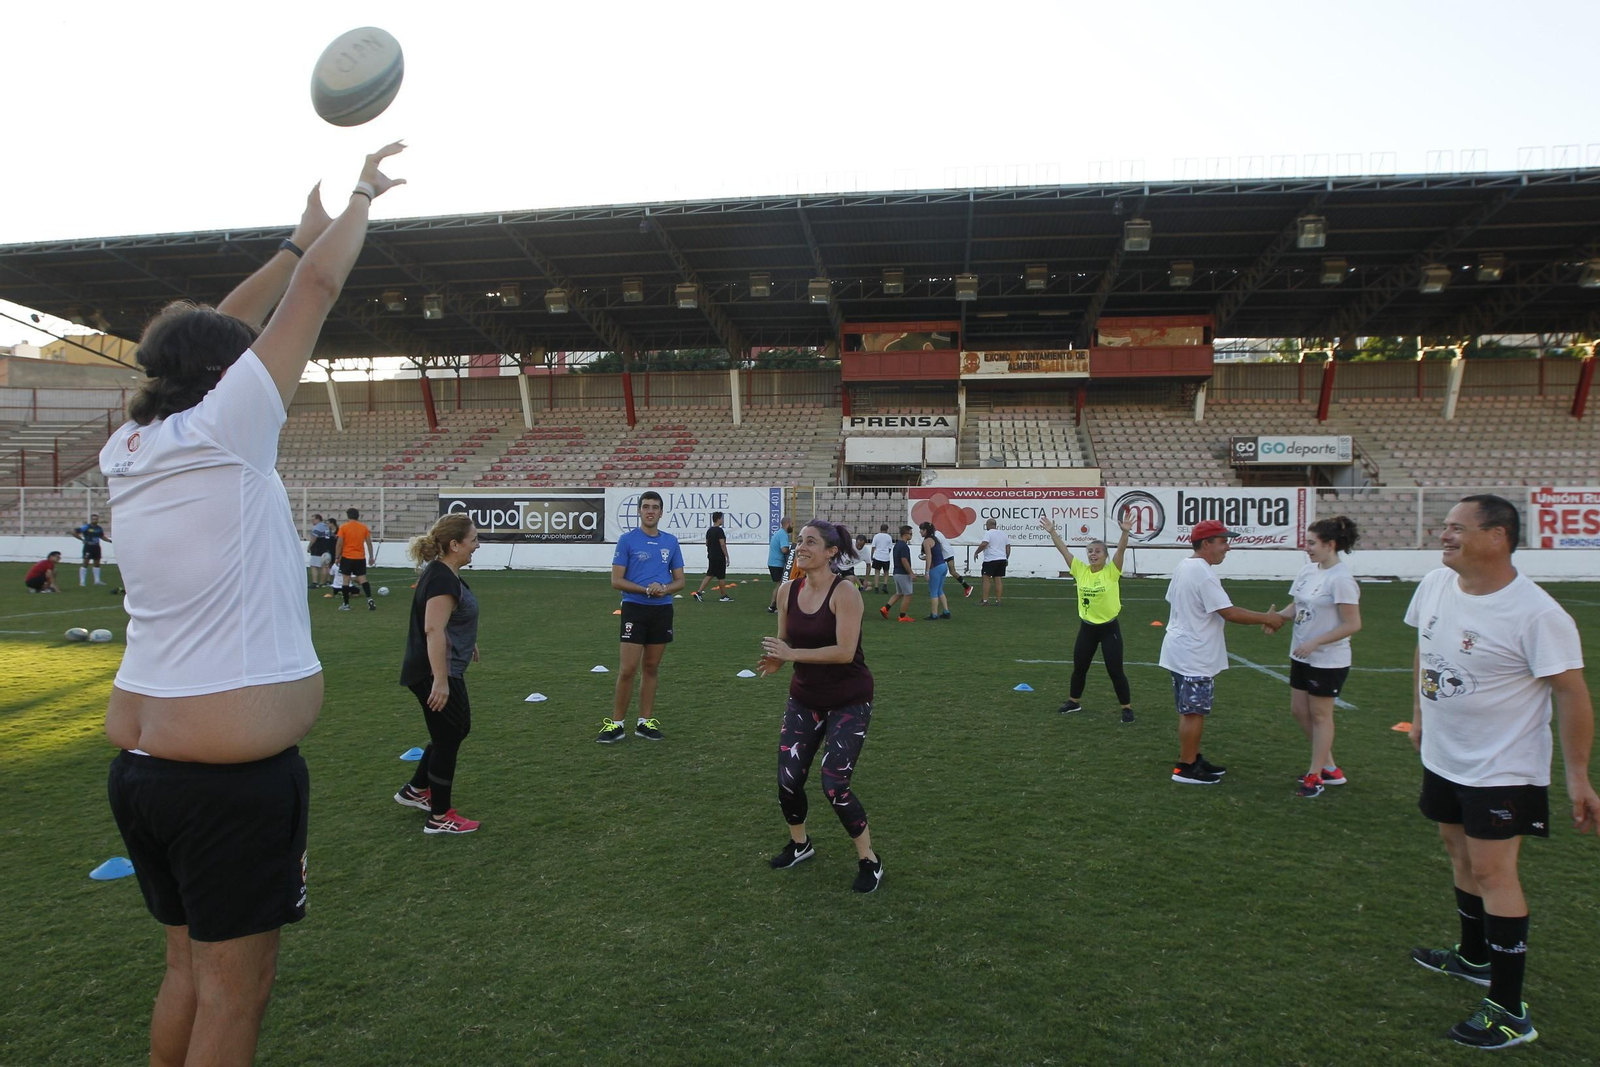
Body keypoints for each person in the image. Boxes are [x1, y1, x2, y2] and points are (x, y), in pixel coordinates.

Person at [101, 144, 407, 1067]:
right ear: (224, 376)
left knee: (187, 976)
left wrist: (286, 240)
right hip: (224, 788)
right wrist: (360, 197)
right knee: (238, 993)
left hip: (148, 769)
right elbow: (313, 293)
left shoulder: (132, 441)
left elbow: (198, 335)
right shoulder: (230, 429)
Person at [1405, 494, 1596, 1050]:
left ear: (1497, 538)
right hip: (1445, 756)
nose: (1444, 536)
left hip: (1502, 769)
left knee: (1494, 872)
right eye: (1444, 527)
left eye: (1457, 528)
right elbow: (1424, 647)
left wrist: (1577, 777)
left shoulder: (1537, 614)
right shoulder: (1434, 586)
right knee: (1456, 849)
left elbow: (1572, 695)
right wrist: (1419, 713)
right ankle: (1473, 956)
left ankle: (1511, 1012)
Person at [758, 519, 883, 893]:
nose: (801, 546)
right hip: (805, 698)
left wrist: (793, 653)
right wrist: (777, 659)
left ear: (831, 552)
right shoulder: (786, 591)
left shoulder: (845, 592)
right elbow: (784, 641)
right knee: (788, 780)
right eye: (800, 540)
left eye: (810, 542)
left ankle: (869, 861)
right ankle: (801, 844)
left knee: (834, 785)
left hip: (849, 700)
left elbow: (845, 652)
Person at [1157, 519, 1286, 785]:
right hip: (1195, 653)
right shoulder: (1202, 572)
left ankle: (1192, 757)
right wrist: (1267, 618)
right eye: (1223, 542)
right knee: (1193, 712)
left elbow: (1174, 599)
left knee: (1189, 710)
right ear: (1207, 544)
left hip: (1180, 649)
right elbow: (1227, 612)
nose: (1227, 548)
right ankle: (1186, 767)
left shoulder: (1185, 565)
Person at [394, 514, 483, 834]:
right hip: (435, 671)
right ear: (454, 544)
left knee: (456, 729)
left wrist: (468, 642)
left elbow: (450, 621)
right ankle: (439, 815)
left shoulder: (446, 573)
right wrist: (441, 680)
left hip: (444, 666)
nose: (477, 545)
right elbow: (433, 629)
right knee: (448, 738)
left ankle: (417, 789)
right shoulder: (442, 578)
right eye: (473, 540)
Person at [1267, 516, 1363, 799]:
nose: (1306, 548)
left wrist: (1316, 641)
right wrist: (1276, 619)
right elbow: (1297, 606)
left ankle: (1316, 775)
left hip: (1328, 659)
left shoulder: (1342, 579)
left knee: (1321, 715)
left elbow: (1352, 624)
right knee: (1299, 710)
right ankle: (1330, 768)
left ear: (1330, 544)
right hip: (1302, 654)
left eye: (1311, 543)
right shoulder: (1308, 572)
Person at [599, 490, 685, 743]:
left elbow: (680, 581)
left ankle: (644, 722)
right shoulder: (627, 541)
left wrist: (664, 589)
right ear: (639, 510)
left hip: (662, 610)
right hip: (634, 609)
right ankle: (616, 724)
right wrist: (646, 589)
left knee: (651, 667)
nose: (650, 511)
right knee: (627, 669)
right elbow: (616, 580)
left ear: (661, 512)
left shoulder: (670, 542)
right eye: (646, 506)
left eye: (655, 507)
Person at [1041, 513, 1136, 723]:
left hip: (1109, 629)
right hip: (1087, 629)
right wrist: (1052, 532)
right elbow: (1063, 550)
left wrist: (1125, 532)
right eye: (1090, 551)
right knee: (1080, 668)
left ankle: (1126, 708)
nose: (1093, 554)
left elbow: (1121, 550)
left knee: (1115, 671)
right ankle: (1074, 702)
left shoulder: (1112, 572)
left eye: (1098, 551)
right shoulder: (1081, 570)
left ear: (1105, 555)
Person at [334, 507, 376, 611]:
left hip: (347, 557)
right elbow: (369, 543)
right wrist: (371, 556)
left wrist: (337, 556)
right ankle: (369, 599)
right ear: (358, 516)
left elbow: (339, 543)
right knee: (363, 579)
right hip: (360, 557)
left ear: (348, 516)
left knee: (346, 580)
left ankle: (346, 604)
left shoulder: (344, 527)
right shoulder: (363, 527)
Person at [691, 511, 732, 602]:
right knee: (721, 576)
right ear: (718, 519)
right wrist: (727, 556)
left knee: (710, 574)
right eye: (721, 518)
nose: (722, 520)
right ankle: (723, 596)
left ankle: (699, 592)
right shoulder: (719, 531)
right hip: (719, 557)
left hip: (711, 555)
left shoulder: (709, 530)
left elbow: (707, 543)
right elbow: (722, 544)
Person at [879, 525, 917, 622]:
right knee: (908, 594)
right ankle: (902, 616)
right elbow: (904, 560)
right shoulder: (904, 546)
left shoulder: (897, 545)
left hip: (897, 572)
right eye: (910, 534)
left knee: (899, 593)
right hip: (903, 573)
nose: (911, 536)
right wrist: (911, 573)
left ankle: (885, 608)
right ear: (905, 534)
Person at [976, 518, 1012, 606]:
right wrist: (1006, 557)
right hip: (1002, 559)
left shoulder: (988, 533)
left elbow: (984, 544)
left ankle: (985, 600)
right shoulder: (1003, 534)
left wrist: (976, 552)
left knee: (986, 578)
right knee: (998, 579)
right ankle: (998, 601)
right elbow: (1008, 547)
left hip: (991, 559)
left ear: (988, 525)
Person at [919, 521, 951, 619]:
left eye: (921, 530)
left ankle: (934, 614)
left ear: (925, 530)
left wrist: (927, 572)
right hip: (943, 565)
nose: (920, 532)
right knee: (939, 590)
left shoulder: (927, 541)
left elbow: (929, 556)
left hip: (935, 567)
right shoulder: (935, 539)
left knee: (933, 591)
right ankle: (946, 611)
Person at [73, 513, 113, 586]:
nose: (95, 520)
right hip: (88, 547)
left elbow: (101, 536)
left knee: (97, 563)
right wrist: (82, 539)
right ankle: (82, 581)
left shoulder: (99, 528)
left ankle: (97, 581)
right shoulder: (86, 527)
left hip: (96, 547)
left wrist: (109, 541)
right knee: (85, 563)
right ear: (91, 519)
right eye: (93, 519)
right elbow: (74, 532)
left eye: (96, 519)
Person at [935, 527, 974, 599]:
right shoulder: (937, 533)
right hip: (948, 553)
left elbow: (938, 546)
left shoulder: (935, 535)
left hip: (946, 554)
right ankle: (967, 587)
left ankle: (967, 587)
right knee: (952, 572)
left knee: (941, 571)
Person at [766, 515, 794, 613]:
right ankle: (776, 606)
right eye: (792, 524)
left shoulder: (779, 533)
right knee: (781, 585)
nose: (793, 526)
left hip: (773, 562)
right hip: (777, 563)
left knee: (780, 584)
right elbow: (784, 549)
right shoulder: (783, 534)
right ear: (788, 524)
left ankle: (772, 606)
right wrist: (792, 551)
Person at [306, 513, 332, 589]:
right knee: (324, 566)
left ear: (318, 519)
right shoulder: (326, 526)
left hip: (318, 548)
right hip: (326, 548)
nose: (312, 521)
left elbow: (314, 538)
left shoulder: (317, 527)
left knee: (313, 566)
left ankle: (315, 582)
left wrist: (309, 546)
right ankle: (322, 583)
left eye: (313, 520)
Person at [869, 523, 894, 593]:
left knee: (877, 572)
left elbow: (873, 547)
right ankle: (885, 585)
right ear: (887, 529)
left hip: (877, 556)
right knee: (886, 572)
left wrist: (872, 556)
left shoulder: (876, 536)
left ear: (880, 529)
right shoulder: (889, 537)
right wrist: (886, 553)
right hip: (886, 557)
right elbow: (889, 548)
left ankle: (876, 587)